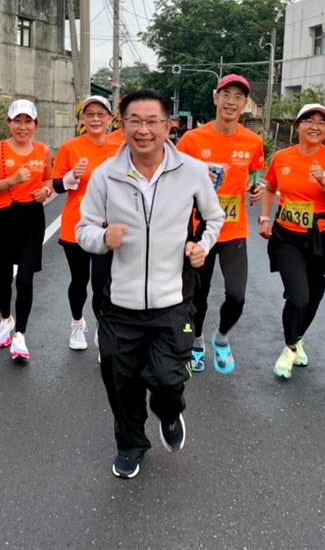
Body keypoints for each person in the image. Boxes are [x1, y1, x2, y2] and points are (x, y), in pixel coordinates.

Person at [77, 89, 224, 480]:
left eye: (152, 121)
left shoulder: (191, 170)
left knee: (165, 378)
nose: (143, 130)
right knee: (120, 382)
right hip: (119, 304)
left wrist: (201, 247)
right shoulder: (104, 175)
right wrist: (102, 239)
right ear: (121, 125)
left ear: (167, 126)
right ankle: (130, 445)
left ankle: (170, 408)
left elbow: (215, 217)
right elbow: (83, 229)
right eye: (134, 122)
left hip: (173, 298)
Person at [176, 74, 264, 373]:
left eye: (238, 97)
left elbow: (254, 174)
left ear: (244, 104)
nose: (231, 102)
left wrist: (255, 188)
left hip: (233, 230)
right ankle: (197, 339)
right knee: (197, 295)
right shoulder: (192, 140)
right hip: (199, 230)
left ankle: (222, 337)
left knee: (237, 295)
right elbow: (174, 179)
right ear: (216, 98)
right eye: (226, 95)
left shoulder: (252, 141)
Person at [259, 103, 325, 379]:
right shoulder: (283, 157)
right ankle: (288, 348)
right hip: (287, 235)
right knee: (298, 296)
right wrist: (264, 218)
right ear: (297, 126)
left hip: (322, 236)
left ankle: (296, 338)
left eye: (321, 123)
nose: (314, 126)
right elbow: (270, 187)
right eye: (308, 120)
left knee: (313, 298)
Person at [0, 99, 53, 362]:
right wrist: (13, 180)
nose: (22, 127)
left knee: (25, 277)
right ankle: (5, 319)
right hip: (3, 217)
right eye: (17, 121)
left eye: (28, 121)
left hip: (32, 217)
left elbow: (48, 179)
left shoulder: (43, 150)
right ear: (8, 123)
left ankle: (20, 335)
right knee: (3, 275)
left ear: (35, 124)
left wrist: (44, 191)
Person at [52, 95, 123, 350]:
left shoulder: (120, 148)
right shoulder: (70, 148)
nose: (95, 119)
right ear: (82, 118)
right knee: (79, 280)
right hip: (76, 226)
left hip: (106, 227)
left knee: (102, 282)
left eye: (100, 114)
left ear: (109, 118)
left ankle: (102, 331)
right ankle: (77, 324)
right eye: (89, 114)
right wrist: (71, 176)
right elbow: (56, 185)